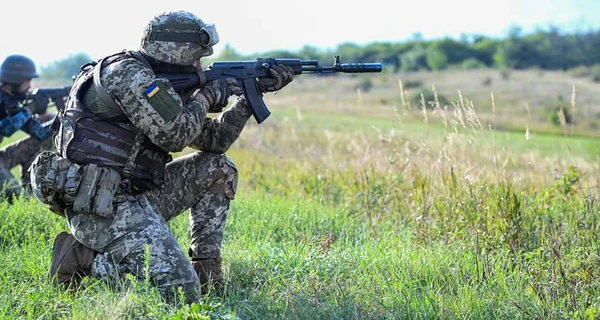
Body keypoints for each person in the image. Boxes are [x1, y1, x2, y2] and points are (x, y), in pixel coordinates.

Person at [30, 10, 294, 303]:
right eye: (196, 55)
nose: (199, 63)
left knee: (218, 167)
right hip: (101, 206)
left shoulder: (159, 83)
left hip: (137, 194)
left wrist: (248, 96)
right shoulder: (127, 75)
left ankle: (208, 277)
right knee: (180, 290)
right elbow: (175, 135)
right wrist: (205, 97)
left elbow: (213, 140)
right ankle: (80, 258)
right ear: (177, 51)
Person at [0, 54, 54, 200]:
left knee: (37, 143)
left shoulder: (12, 103)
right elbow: (5, 128)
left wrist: (62, 118)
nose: (30, 86)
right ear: (15, 81)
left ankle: (30, 187)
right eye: (27, 81)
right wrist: (28, 110)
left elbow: (41, 133)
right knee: (18, 200)